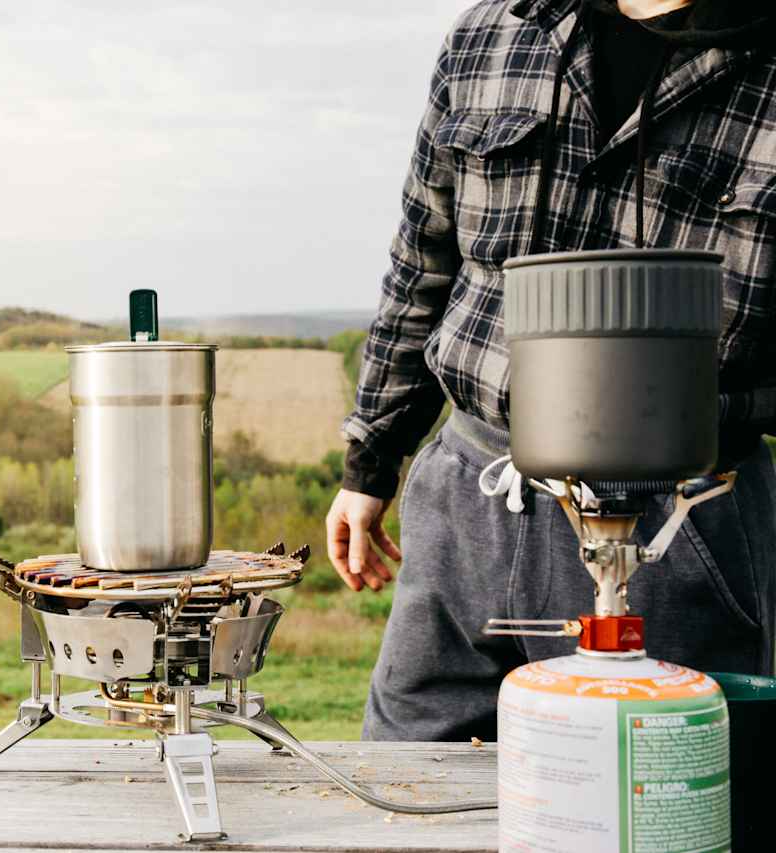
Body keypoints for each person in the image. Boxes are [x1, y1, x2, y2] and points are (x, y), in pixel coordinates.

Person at [326, 0, 776, 741]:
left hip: (681, 520)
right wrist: (370, 460)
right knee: (410, 787)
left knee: (653, 807)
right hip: (466, 495)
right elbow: (423, 259)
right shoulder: (492, 32)